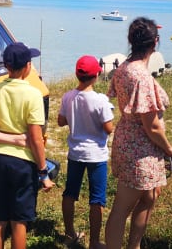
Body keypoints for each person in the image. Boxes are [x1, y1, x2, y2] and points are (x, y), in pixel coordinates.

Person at [104, 17, 172, 249]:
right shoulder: (142, 77)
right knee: (122, 208)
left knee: (149, 198)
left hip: (127, 141)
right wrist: (168, 148)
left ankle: (134, 246)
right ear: (155, 43)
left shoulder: (124, 68)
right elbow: (152, 126)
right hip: (140, 150)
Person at [0, 42, 55, 249]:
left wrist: (8, 139)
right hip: (23, 164)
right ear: (28, 66)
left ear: (6, 66)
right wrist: (43, 172)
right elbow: (35, 139)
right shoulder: (33, 95)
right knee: (19, 221)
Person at [58, 55, 115, 249]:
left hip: (75, 153)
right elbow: (108, 128)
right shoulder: (100, 100)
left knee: (70, 193)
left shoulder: (68, 96)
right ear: (97, 76)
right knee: (97, 199)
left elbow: (61, 121)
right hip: (96, 155)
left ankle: (69, 233)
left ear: (77, 74)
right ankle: (94, 242)